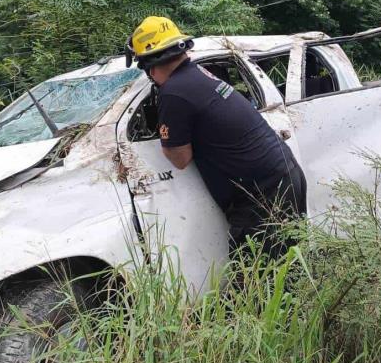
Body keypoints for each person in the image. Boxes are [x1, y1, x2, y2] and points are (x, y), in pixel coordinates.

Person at [126, 16, 307, 259]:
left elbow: (179, 158)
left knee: (259, 284)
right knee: (287, 276)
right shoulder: (199, 74)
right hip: (283, 177)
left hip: (263, 198)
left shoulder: (173, 92)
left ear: (150, 65)